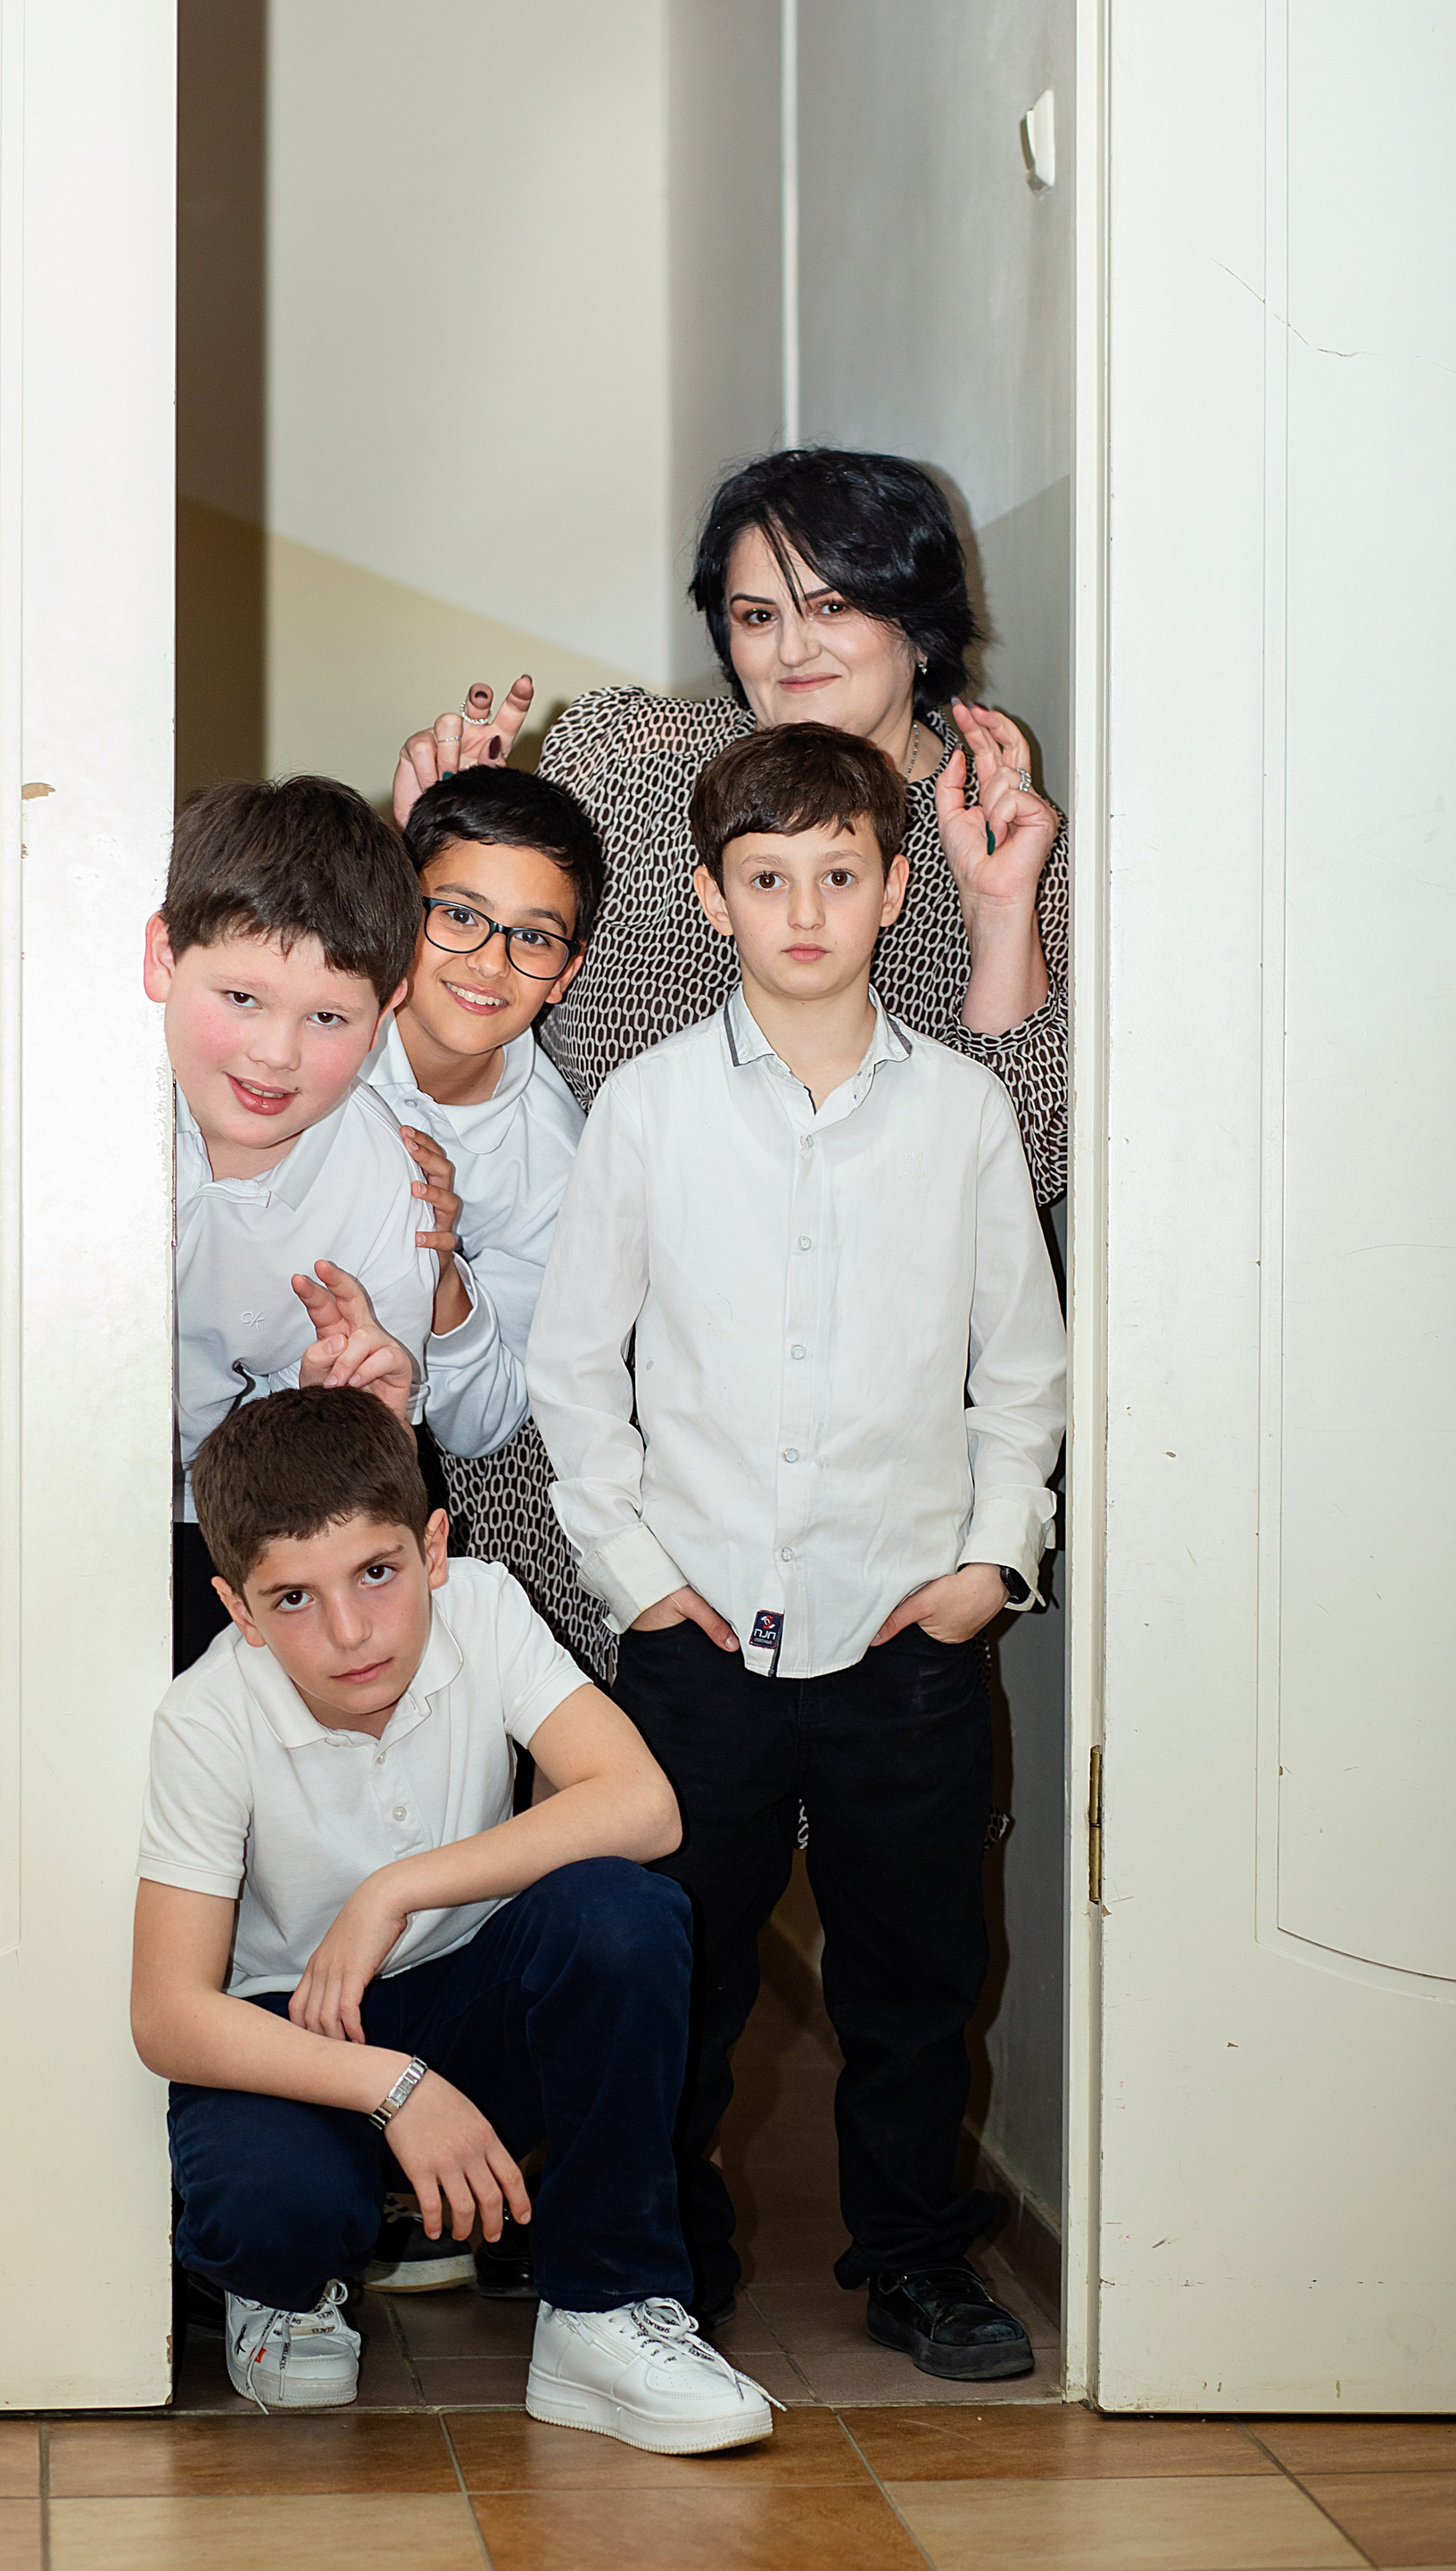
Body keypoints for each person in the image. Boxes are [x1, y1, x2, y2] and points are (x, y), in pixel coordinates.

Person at [525, 723, 1067, 2377]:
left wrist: (988, 1567)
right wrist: (637, 1581)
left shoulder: (964, 1112)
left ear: (897, 888)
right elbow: (574, 1368)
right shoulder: (646, 1108)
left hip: (908, 1637)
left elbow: (1021, 1372)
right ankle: (657, 2257)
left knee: (916, 1973)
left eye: (841, 874)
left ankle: (913, 2256)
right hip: (697, 1639)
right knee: (680, 1970)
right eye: (769, 879)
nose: (807, 910)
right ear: (712, 899)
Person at [130, 1384, 777, 2451]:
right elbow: (168, 2014)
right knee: (267, 2206)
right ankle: (285, 2291)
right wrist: (396, 2086)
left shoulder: (481, 1604)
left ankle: (603, 2310)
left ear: (433, 1548)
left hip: (475, 2002)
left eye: (376, 1573)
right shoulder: (207, 1716)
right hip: (298, 2037)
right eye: (292, 1598)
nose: (349, 1632)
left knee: (623, 1912)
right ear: (238, 1609)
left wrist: (394, 1889)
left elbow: (643, 1807)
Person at [393, 445, 1069, 1204]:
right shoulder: (623, 755)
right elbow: (473, 1007)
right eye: (758, 616)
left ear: (918, 624)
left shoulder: (1003, 837)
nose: (793, 650)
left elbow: (1023, 1172)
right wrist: (435, 854)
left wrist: (998, 915)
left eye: (833, 606)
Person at [148, 773, 518, 1671]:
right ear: (162, 957)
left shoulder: (389, 1191)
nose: (275, 1054)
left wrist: (322, 1409)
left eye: (326, 1017)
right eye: (242, 999)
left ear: (386, 1012)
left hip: (217, 1526)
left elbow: (340, 1485)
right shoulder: (55, 1095)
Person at [366, 767, 612, 1681]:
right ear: (403, 911)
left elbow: (482, 1421)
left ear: (566, 975)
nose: (489, 962)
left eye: (533, 937)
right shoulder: (315, 1023)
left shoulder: (558, 1163)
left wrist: (443, 1270)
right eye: (461, 915)